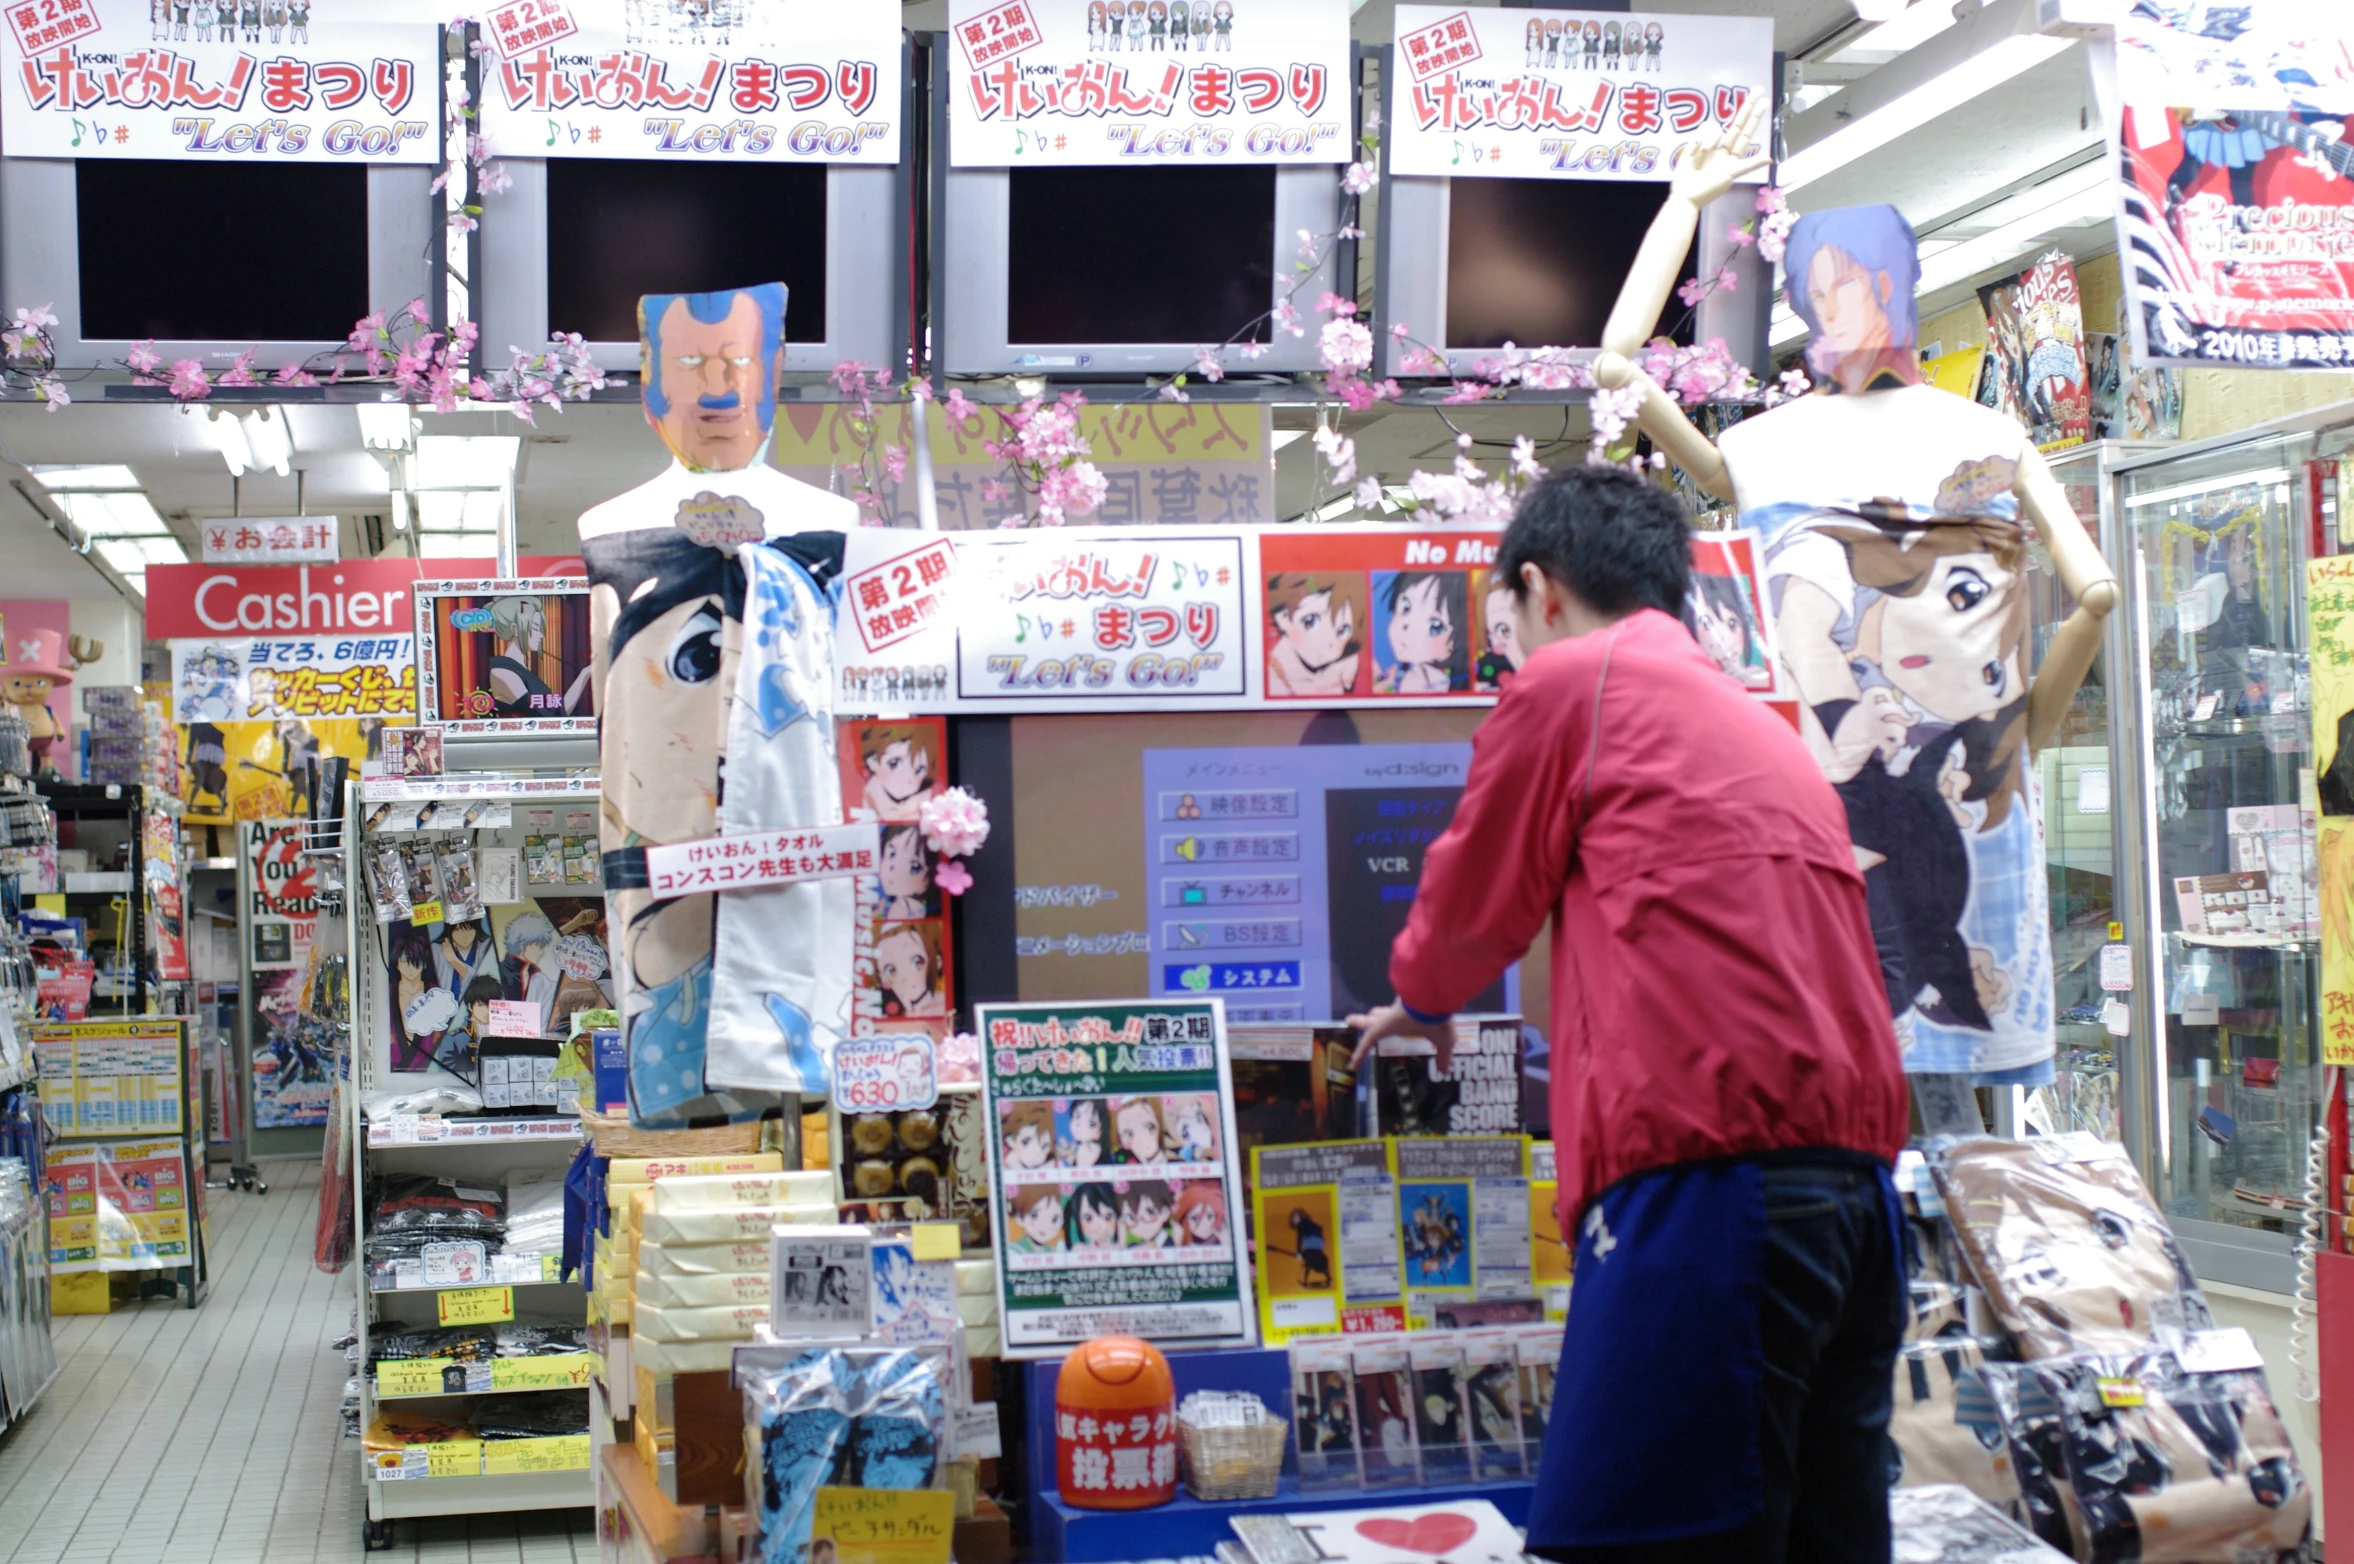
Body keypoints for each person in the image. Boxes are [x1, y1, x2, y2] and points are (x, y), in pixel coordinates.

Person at [1346, 465, 1908, 1563]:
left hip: (1714, 1186)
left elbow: (1472, 899)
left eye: (1504, 620)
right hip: (1853, 1197)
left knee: (1643, 1540)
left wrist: (1417, 999)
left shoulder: (1574, 685)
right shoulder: (1754, 725)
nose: (1507, 647)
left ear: (1537, 589)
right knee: (1822, 1537)